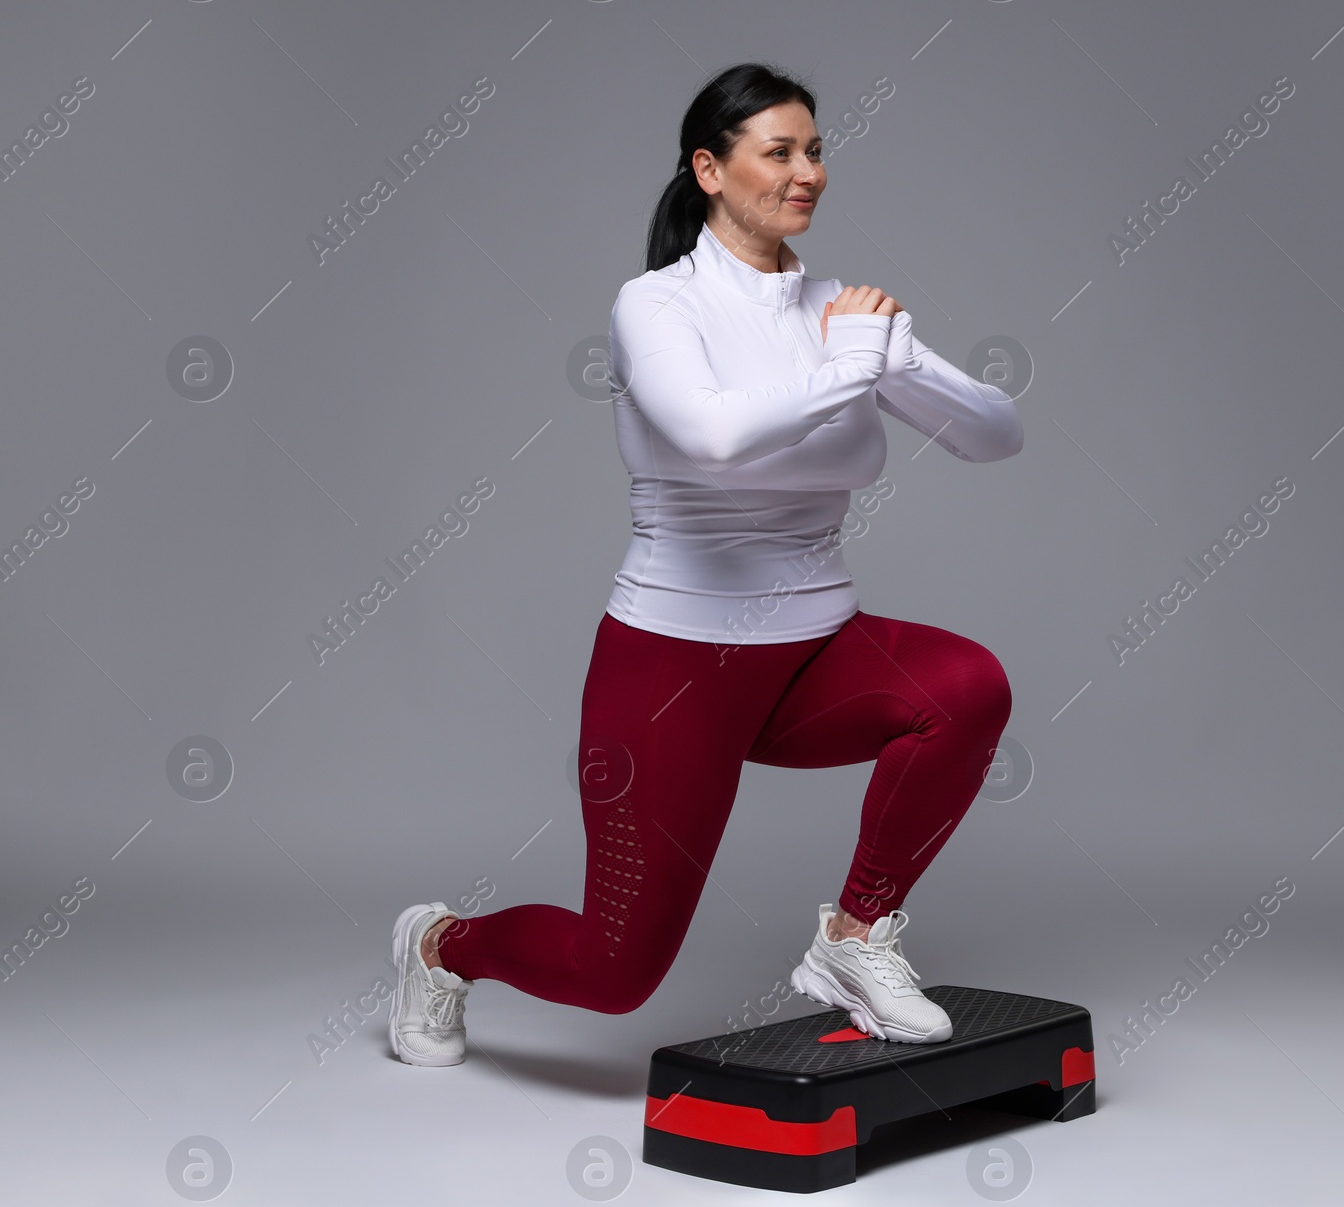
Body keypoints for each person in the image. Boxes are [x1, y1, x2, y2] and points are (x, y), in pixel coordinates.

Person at [389, 62, 1023, 1067]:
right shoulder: (656, 306)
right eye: (779, 151)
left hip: (814, 655)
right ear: (709, 169)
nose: (806, 171)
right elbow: (711, 437)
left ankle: (854, 940)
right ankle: (438, 946)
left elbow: (996, 434)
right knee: (614, 973)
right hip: (674, 668)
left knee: (966, 688)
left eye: (815, 150)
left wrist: (896, 356)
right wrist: (853, 365)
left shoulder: (841, 310)